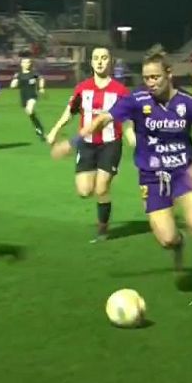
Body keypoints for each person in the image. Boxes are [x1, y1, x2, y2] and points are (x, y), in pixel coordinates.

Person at [51, 48, 192, 308]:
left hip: (183, 173)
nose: (151, 82)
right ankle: (177, 243)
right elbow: (102, 119)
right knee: (167, 239)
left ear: (169, 74)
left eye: (156, 77)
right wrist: (73, 142)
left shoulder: (189, 103)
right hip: (151, 177)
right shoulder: (136, 100)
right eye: (147, 78)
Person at [46, 46, 131, 243]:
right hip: (86, 144)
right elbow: (70, 111)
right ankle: (101, 199)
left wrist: (131, 135)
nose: (100, 61)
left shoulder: (121, 91)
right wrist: (55, 130)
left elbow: (128, 118)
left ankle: (103, 230)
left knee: (101, 188)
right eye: (96, 58)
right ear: (91, 62)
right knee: (84, 191)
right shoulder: (82, 88)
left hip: (111, 143)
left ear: (110, 62)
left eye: (104, 58)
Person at [9, 54, 46, 142]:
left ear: (30, 64)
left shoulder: (33, 73)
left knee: (29, 110)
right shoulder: (18, 74)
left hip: (32, 96)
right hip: (23, 97)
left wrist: (41, 88)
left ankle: (39, 128)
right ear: (21, 64)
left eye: (28, 62)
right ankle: (38, 127)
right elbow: (13, 84)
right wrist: (13, 84)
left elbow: (41, 79)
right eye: (24, 62)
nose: (26, 64)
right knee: (30, 113)